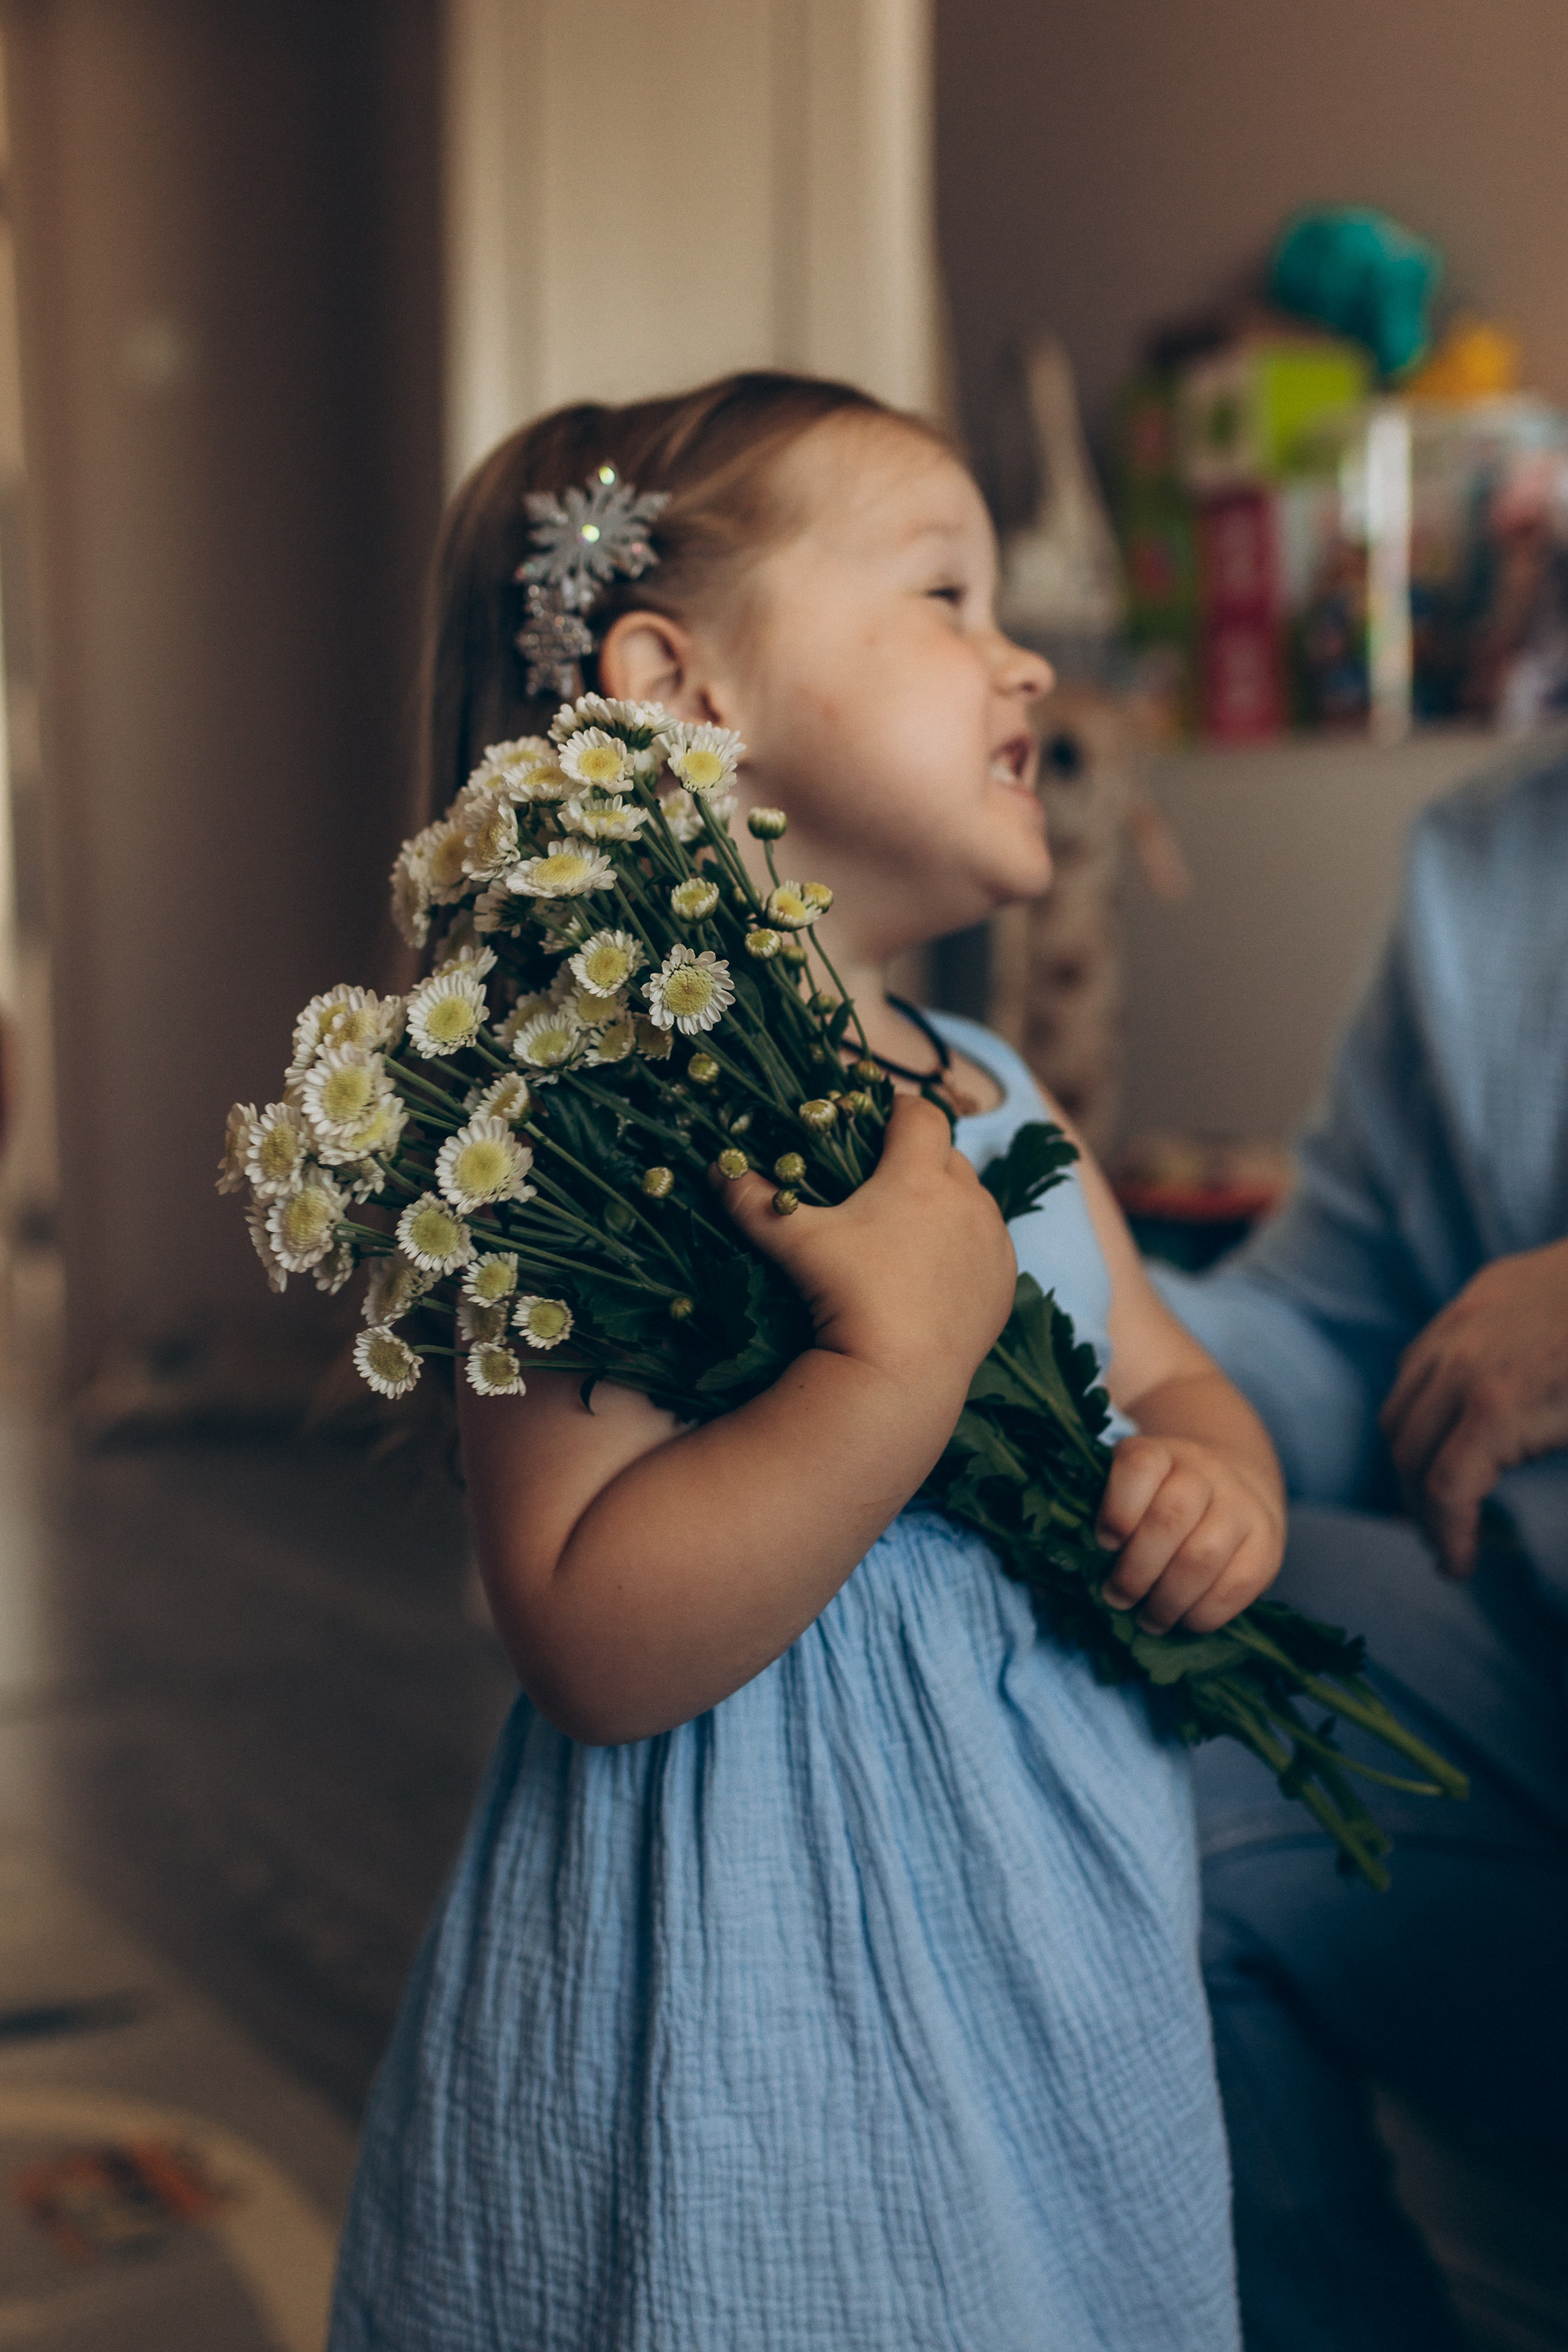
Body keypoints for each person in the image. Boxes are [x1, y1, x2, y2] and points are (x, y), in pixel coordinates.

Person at [327, 373, 1287, 2350]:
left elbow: (1174, 1374)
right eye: (944, 591)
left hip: (1050, 1932)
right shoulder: (586, 1111)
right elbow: (589, 1631)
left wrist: (1221, 1479)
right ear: (686, 690)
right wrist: (893, 1370)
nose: (1018, 652)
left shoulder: (1006, 1098)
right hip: (759, 1974)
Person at [1156, 744, 1568, 2352]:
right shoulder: (1488, 860)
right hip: (1520, 1663)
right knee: (1114, 1706)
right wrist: (1051, 1298)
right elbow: (1340, 1343)